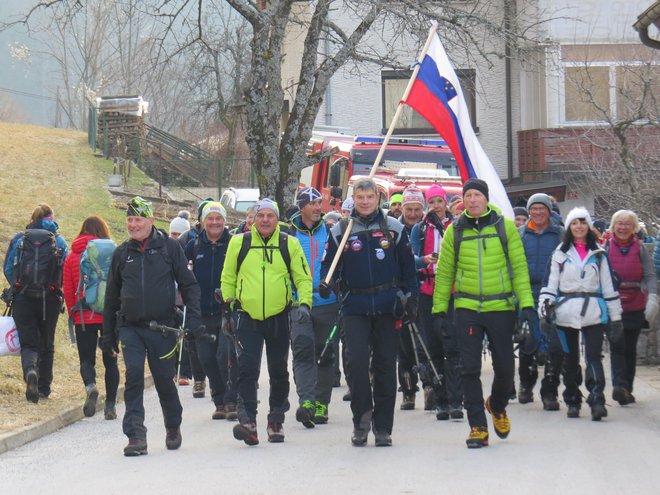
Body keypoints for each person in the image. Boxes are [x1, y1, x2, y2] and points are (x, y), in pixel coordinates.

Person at [432, 178, 534, 449]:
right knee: (469, 368)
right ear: (463, 201)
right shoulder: (455, 231)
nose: (473, 200)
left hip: (500, 307)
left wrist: (527, 305)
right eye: (469, 196)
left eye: (477, 195)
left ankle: (497, 405)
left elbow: (519, 267)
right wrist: (439, 309)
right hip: (467, 308)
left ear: (486, 199)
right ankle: (477, 426)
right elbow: (444, 273)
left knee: (504, 368)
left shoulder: (506, 228)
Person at [320, 177, 418, 447]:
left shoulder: (394, 228)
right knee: (357, 366)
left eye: (370, 197)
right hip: (355, 307)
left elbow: (408, 269)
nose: (365, 202)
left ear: (378, 198)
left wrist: (410, 299)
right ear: (354, 198)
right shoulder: (341, 229)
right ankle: (361, 422)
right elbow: (328, 267)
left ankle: (383, 427)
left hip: (388, 306)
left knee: (386, 367)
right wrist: (328, 284)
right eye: (360, 197)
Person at [101, 196, 202, 456]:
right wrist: (108, 334)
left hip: (163, 328)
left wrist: (193, 320)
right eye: (130, 220)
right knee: (133, 376)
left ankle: (173, 425)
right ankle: (136, 436)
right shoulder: (122, 253)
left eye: (138, 220)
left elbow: (189, 285)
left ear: (151, 221)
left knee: (163, 382)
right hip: (131, 328)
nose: (133, 225)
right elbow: (111, 296)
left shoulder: (169, 248)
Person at [221, 198, 312, 446]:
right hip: (247, 316)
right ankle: (248, 420)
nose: (265, 220)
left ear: (277, 219)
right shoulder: (239, 243)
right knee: (247, 369)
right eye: (260, 215)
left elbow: (303, 278)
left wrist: (304, 303)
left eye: (270, 216)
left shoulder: (288, 243)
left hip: (279, 316)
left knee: (278, 370)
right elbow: (228, 277)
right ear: (253, 218)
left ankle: (276, 419)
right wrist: (229, 304)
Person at [538, 207, 623, 421]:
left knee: (594, 357)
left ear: (588, 226)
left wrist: (615, 319)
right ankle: (572, 399)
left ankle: (597, 399)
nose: (579, 226)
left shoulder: (599, 255)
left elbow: (609, 288)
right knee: (570, 358)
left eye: (583, 222)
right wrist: (544, 312)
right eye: (575, 223)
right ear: (569, 227)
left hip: (594, 312)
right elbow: (550, 286)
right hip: (565, 313)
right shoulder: (559, 255)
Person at [4, 204, 69, 403]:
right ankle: (44, 388)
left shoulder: (19, 238)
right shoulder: (58, 240)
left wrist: (17, 285)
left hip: (23, 298)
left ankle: (31, 370)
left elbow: (8, 267)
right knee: (47, 343)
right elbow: (66, 270)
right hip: (49, 300)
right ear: (51, 218)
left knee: (28, 342)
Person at [288, 187, 341, 427]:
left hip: (327, 303)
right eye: (313, 204)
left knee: (326, 352)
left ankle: (322, 403)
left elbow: (340, 264)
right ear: (302, 208)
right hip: (299, 304)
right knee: (302, 351)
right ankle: (306, 402)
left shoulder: (332, 233)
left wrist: (336, 287)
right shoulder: (289, 235)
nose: (319, 208)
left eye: (320, 203)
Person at [410, 184, 462, 419]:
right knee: (432, 346)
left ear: (446, 203)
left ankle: (455, 399)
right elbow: (409, 258)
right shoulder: (419, 230)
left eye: (440, 202)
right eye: (432, 203)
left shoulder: (456, 226)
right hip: (426, 291)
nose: (436, 207)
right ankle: (440, 399)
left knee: (453, 346)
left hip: (452, 292)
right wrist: (423, 260)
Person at [185, 201, 239, 420]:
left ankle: (232, 400)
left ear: (224, 221)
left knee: (225, 356)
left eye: (218, 218)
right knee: (206, 358)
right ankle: (219, 401)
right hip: (202, 312)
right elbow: (186, 279)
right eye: (210, 218)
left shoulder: (235, 244)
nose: (215, 222)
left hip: (228, 311)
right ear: (202, 222)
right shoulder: (193, 246)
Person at [62, 216, 120, 419]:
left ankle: (91, 386)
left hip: (83, 315)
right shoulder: (113, 253)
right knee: (110, 361)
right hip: (108, 316)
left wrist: (73, 312)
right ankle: (111, 406)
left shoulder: (72, 256)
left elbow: (68, 288)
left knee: (87, 360)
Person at [516, 193, 564, 410]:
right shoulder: (520, 234)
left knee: (554, 345)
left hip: (554, 294)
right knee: (528, 343)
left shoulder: (560, 234)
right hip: (527, 292)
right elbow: (513, 264)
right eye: (533, 209)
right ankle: (526, 384)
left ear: (548, 210)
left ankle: (550, 392)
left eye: (541, 208)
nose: (537, 212)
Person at [605, 210, 658, 405]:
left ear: (634, 227)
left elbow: (650, 274)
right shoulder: (606, 247)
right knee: (617, 345)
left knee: (630, 348)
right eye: (620, 223)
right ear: (613, 225)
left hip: (635, 302)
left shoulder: (640, 249)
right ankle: (619, 385)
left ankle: (627, 387)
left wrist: (652, 296)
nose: (623, 227)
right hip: (613, 302)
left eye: (628, 224)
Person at [396, 185, 427, 410]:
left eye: (417, 209)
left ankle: (430, 386)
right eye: (409, 209)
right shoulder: (395, 230)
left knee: (424, 342)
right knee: (404, 345)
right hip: (402, 291)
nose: (413, 214)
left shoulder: (427, 229)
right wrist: (421, 261)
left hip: (424, 290)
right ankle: (408, 390)